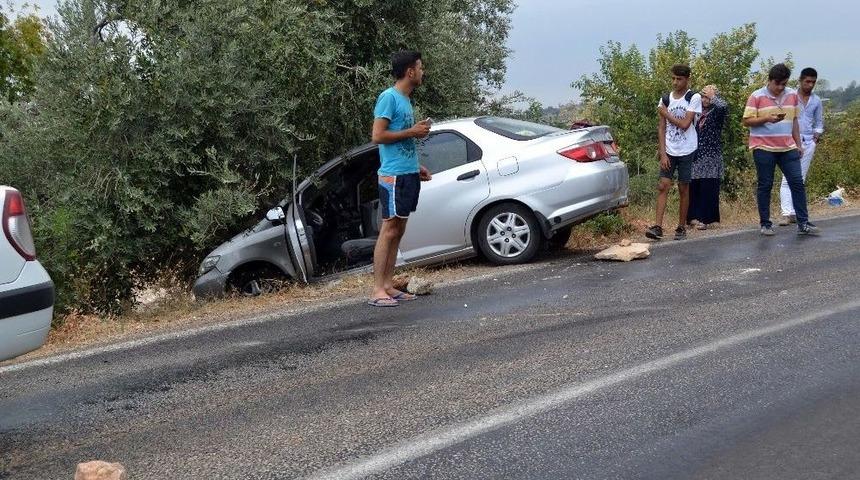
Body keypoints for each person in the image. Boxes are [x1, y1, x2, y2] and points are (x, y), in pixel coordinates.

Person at [367, 50, 433, 307]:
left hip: (406, 173)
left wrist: (416, 167)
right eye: (420, 67)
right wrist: (412, 131)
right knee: (389, 229)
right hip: (392, 176)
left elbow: (401, 142)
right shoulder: (389, 97)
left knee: (399, 229)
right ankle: (376, 290)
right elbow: (377, 136)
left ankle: (388, 285)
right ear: (410, 71)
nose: (422, 72)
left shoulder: (406, 100)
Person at [742, 63, 820, 236]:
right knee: (765, 184)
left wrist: (798, 144)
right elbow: (747, 120)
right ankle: (765, 223)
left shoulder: (792, 95)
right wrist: (766, 118)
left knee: (797, 183)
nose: (780, 87)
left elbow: (794, 122)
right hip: (763, 146)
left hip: (787, 147)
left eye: (783, 84)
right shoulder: (756, 96)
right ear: (769, 81)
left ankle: (803, 222)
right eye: (777, 84)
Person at [646, 64, 703, 241]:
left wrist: (665, 113)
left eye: (679, 79)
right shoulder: (665, 98)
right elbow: (661, 127)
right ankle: (657, 227)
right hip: (670, 148)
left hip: (687, 148)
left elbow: (686, 124)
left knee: (683, 187)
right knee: (663, 185)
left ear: (687, 79)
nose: (675, 82)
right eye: (673, 78)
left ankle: (681, 226)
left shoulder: (693, 97)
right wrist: (663, 152)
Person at [778, 67, 825, 226]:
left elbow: (819, 122)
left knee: (799, 179)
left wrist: (816, 136)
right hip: (790, 141)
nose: (810, 85)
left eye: (813, 82)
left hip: (808, 141)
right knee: (786, 178)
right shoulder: (790, 95)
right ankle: (787, 213)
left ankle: (796, 213)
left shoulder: (816, 100)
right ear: (800, 80)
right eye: (807, 81)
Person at [687, 85, 727, 229]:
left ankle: (706, 219)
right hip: (696, 154)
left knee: (707, 187)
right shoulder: (696, 113)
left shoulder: (716, 113)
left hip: (711, 156)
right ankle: (692, 218)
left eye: (708, 97)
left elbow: (723, 106)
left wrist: (713, 96)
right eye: (703, 96)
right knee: (693, 187)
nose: (705, 100)